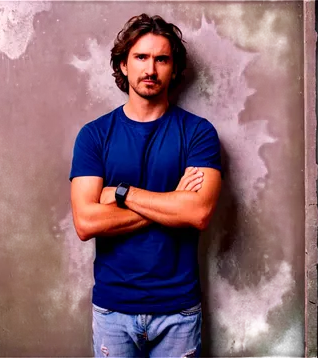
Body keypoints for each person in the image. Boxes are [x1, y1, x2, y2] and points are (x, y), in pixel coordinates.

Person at [69, 13, 222, 358]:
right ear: (123, 65)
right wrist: (172, 203)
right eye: (140, 57)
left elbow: (197, 214)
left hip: (178, 310)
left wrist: (120, 194)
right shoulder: (94, 136)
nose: (150, 69)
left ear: (174, 68)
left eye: (161, 59)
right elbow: (86, 222)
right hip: (113, 309)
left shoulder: (199, 134)